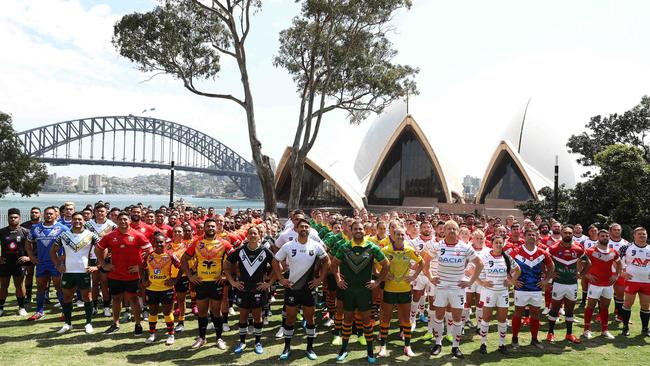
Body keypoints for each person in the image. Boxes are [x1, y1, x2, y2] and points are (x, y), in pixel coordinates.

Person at [272, 218, 330, 361]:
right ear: (296, 229)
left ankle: (310, 348)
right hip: (292, 288)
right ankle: (287, 347)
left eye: (306, 227)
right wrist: (281, 279)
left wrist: (320, 279)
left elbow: (327, 261)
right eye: (301, 227)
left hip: (309, 288)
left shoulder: (316, 246)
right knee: (290, 318)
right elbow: (275, 261)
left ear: (309, 229)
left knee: (309, 318)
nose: (304, 229)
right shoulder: (288, 245)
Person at [332, 221, 389, 363]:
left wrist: (377, 281)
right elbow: (334, 264)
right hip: (348, 290)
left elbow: (386, 264)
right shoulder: (344, 247)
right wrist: (338, 279)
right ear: (350, 231)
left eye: (361, 228)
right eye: (355, 228)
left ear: (365, 230)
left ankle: (370, 352)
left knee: (366, 321)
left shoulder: (372, 247)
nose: (358, 230)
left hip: (364, 291)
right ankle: (344, 349)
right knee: (347, 320)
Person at [430, 220, 483, 359]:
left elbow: (480, 264)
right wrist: (430, 276)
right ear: (444, 231)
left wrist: (471, 281)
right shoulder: (438, 246)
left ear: (458, 231)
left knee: (457, 318)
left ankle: (455, 346)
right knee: (438, 316)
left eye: (454, 229)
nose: (452, 231)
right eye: (449, 229)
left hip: (457, 288)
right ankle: (438, 343)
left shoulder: (465, 247)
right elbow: (424, 261)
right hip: (441, 287)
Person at [95, 211, 152, 335]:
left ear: (130, 221)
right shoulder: (110, 235)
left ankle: (138, 325)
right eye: (120, 219)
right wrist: (103, 264)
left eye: (125, 219)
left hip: (132, 275)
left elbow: (150, 251)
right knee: (116, 299)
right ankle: (115, 323)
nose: (123, 221)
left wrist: (140, 266)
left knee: (133, 299)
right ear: (117, 221)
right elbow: (98, 248)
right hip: (115, 274)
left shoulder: (138, 235)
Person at [181, 218, 232, 350]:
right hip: (201, 283)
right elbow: (184, 258)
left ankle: (219, 338)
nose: (210, 228)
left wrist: (226, 275)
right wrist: (190, 276)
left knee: (216, 311)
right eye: (208, 226)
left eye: (213, 226)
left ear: (217, 228)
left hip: (216, 283)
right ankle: (202, 338)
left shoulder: (224, 243)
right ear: (204, 228)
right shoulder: (197, 242)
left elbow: (235, 259)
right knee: (202, 312)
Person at [224, 226, 275, 355]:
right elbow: (227, 264)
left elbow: (278, 266)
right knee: (243, 316)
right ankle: (242, 342)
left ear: (259, 236)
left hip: (258, 289)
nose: (253, 235)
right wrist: (232, 281)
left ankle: (257, 342)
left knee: (258, 317)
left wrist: (269, 282)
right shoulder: (240, 250)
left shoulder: (265, 251)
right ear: (247, 236)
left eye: (255, 233)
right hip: (243, 289)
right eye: (250, 233)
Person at [50, 212, 99, 334]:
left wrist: (97, 266)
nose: (77, 221)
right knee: (67, 298)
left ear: (84, 221)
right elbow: (53, 252)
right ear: (71, 220)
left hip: (84, 271)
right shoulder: (64, 235)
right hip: (68, 272)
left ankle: (88, 323)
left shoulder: (91, 235)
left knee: (87, 297)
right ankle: (67, 324)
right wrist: (57, 265)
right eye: (75, 219)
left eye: (80, 219)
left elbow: (103, 249)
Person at [377, 226, 423, 358]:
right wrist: (383, 276)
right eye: (398, 235)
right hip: (389, 290)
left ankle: (407, 347)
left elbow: (422, 263)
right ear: (393, 235)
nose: (400, 237)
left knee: (405, 319)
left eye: (402, 235)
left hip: (405, 290)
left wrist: (413, 277)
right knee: (386, 318)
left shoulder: (409, 250)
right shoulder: (385, 250)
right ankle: (383, 347)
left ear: (405, 236)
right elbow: (374, 264)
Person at [510, 227, 554, 349]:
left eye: (533, 235)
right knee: (518, 312)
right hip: (521, 288)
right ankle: (514, 338)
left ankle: (534, 339)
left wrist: (546, 280)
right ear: (524, 237)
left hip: (536, 288)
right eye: (528, 234)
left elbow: (552, 267)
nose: (531, 237)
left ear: (537, 237)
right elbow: (506, 265)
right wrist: (512, 280)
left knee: (535, 313)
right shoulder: (516, 251)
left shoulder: (542, 252)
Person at [476, 235, 520, 354]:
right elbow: (472, 270)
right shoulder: (484, 257)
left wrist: (511, 282)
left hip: (502, 292)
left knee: (502, 319)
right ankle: (483, 343)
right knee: (486, 318)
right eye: (496, 243)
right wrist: (481, 282)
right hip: (489, 292)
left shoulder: (506, 257)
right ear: (491, 243)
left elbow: (518, 269)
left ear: (503, 244)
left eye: (501, 243)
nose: (499, 245)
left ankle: (501, 344)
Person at [26, 206, 70, 320]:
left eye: (51, 214)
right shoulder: (36, 228)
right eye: (46, 214)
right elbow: (28, 242)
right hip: (41, 263)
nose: (49, 215)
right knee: (41, 287)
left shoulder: (63, 228)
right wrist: (31, 256)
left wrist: (64, 257)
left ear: (56, 215)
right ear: (43, 215)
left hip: (55, 264)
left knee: (59, 287)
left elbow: (70, 244)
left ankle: (65, 312)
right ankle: (39, 311)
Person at [546, 226, 588, 343]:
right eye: (565, 233)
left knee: (570, 310)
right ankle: (550, 333)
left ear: (573, 234)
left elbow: (588, 262)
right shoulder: (553, 248)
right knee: (555, 309)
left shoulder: (578, 248)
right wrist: (549, 274)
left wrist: (581, 274)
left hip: (572, 284)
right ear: (561, 234)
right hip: (558, 283)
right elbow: (543, 261)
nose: (568, 235)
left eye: (570, 233)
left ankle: (569, 334)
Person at [141, 232, 180, 345]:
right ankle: (152, 334)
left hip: (166, 289)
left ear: (165, 243)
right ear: (153, 243)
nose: (159, 244)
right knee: (152, 312)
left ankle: (171, 334)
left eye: (161, 242)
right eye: (157, 242)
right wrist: (144, 280)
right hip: (152, 289)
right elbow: (141, 267)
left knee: (167, 312)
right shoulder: (148, 256)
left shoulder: (170, 255)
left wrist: (175, 280)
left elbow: (181, 267)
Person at [582, 229, 621, 339]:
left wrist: (616, 275)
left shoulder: (613, 251)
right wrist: (586, 274)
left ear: (609, 237)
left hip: (608, 284)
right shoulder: (590, 250)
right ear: (598, 237)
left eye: (606, 236)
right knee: (590, 306)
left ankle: (604, 330)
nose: (605, 238)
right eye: (602, 236)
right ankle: (586, 330)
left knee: (605, 307)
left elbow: (619, 264)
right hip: (595, 284)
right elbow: (580, 263)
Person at [85, 203, 116, 317]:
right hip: (92, 257)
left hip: (106, 258)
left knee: (105, 283)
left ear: (106, 212)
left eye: (102, 211)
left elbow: (115, 242)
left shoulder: (112, 225)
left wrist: (110, 254)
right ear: (94, 212)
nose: (100, 213)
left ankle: (106, 307)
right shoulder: (88, 224)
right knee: (94, 283)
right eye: (98, 211)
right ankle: (94, 306)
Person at [618, 227, 650, 336]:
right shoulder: (626, 247)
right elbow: (616, 261)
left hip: (647, 282)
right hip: (632, 281)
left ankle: (645, 329)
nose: (642, 236)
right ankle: (625, 327)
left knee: (646, 305)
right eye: (640, 234)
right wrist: (621, 273)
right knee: (628, 304)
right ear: (634, 235)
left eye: (644, 234)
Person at [0, 208, 31, 317]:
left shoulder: (25, 232)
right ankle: (1, 308)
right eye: (11, 217)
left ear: (19, 218)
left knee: (19, 284)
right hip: (4, 264)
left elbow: (34, 247)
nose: (13, 219)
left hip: (19, 263)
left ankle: (21, 307)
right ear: (8, 218)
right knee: (3, 285)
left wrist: (28, 257)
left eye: (15, 217)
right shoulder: (2, 231)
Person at [608, 223, 628, 321]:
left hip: (620, 272)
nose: (617, 231)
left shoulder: (625, 243)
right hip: (606, 271)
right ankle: (600, 314)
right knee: (603, 294)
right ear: (610, 231)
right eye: (615, 230)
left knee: (620, 294)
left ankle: (619, 314)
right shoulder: (605, 241)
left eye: (619, 230)